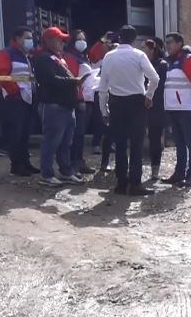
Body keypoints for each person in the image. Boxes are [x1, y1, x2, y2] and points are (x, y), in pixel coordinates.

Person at [98, 25, 160, 196]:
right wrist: (149, 96)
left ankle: (121, 183)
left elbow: (103, 87)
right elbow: (154, 78)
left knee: (120, 144)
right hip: (136, 103)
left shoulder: (109, 57)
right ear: (134, 40)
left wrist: (104, 111)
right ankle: (135, 184)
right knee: (136, 144)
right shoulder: (139, 55)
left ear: (119, 38)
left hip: (116, 103)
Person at [31, 27, 86, 187]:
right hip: (54, 106)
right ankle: (47, 175)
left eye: (63, 39)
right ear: (48, 41)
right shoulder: (43, 58)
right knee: (51, 142)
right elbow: (50, 79)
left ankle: (66, 171)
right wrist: (74, 81)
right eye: (59, 39)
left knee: (65, 142)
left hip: (67, 107)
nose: (62, 42)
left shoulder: (58, 58)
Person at [0, 26, 38, 176]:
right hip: (15, 100)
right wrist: (16, 91)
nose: (30, 41)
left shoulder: (26, 56)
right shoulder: (6, 54)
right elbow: (2, 75)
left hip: (28, 99)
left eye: (31, 38)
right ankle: (16, 166)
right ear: (17, 39)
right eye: (27, 38)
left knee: (25, 134)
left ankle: (25, 163)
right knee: (15, 134)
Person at [161, 33, 191, 188]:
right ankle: (179, 174)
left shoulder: (188, 60)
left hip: (185, 108)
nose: (167, 45)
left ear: (179, 43)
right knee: (179, 143)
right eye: (166, 42)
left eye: (170, 42)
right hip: (173, 108)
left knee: (190, 142)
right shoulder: (171, 62)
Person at [63, 29, 97, 175]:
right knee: (76, 134)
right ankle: (73, 164)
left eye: (84, 39)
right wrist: (79, 98)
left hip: (88, 99)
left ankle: (79, 161)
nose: (82, 42)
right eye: (78, 39)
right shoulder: (70, 58)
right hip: (78, 101)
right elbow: (73, 81)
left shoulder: (83, 57)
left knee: (81, 134)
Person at [141, 38, 169, 180]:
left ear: (152, 49)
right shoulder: (141, 63)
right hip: (141, 105)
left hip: (156, 105)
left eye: (144, 48)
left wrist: (150, 98)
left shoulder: (162, 65)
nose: (142, 50)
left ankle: (155, 170)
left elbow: (161, 86)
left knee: (155, 138)